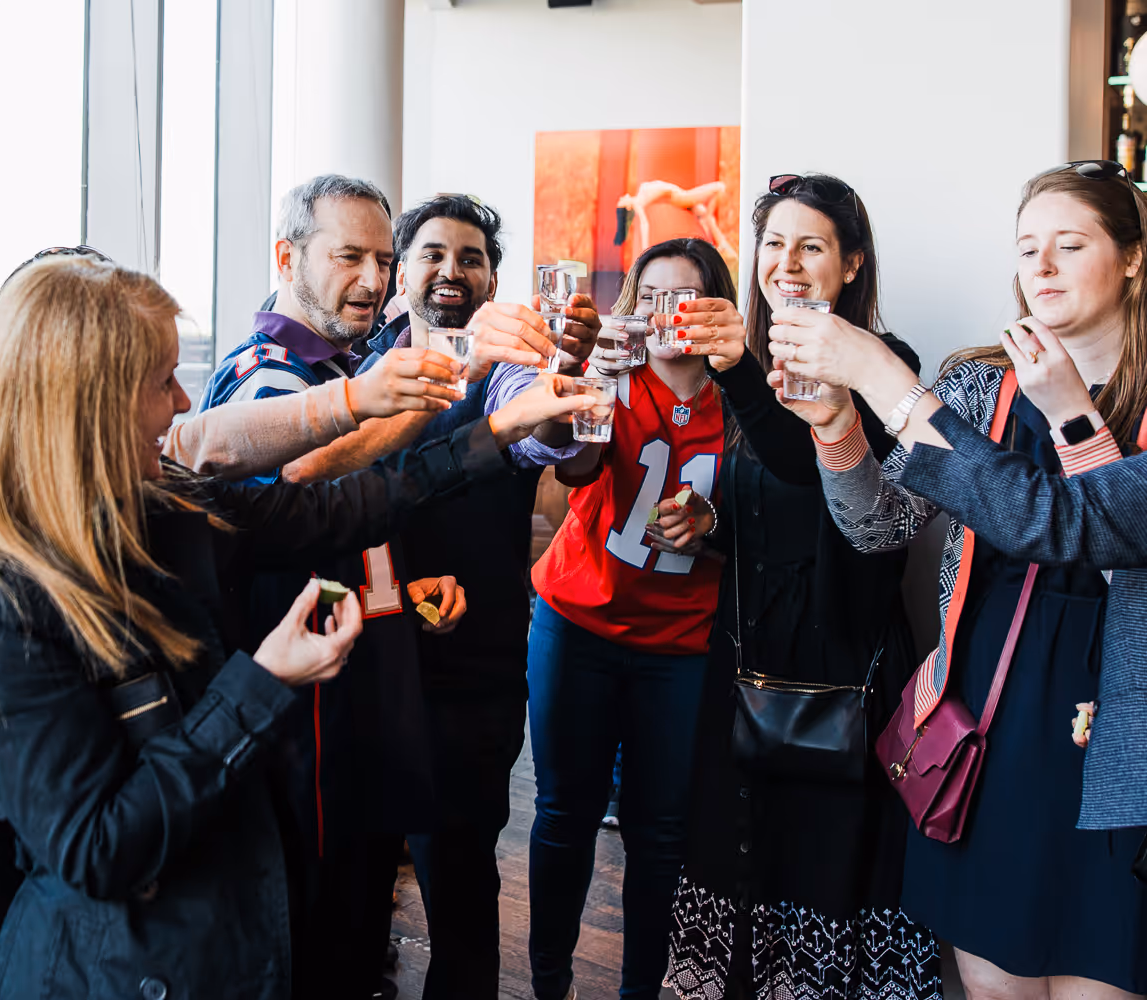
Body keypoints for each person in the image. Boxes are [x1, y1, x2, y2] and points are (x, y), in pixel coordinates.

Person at [0, 254, 592, 1000]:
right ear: (89, 402)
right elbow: (99, 848)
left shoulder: (161, 509)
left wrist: (498, 429)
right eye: (159, 381)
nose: (181, 403)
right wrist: (266, 680)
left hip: (224, 941)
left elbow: (347, 507)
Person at [767, 161, 1147, 998]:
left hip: (1122, 740)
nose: (1040, 266)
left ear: (1131, 258)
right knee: (992, 983)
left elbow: (1072, 524)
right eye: (1026, 248)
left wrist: (886, 384)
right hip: (991, 722)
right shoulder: (980, 381)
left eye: (1070, 244)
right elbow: (880, 526)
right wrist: (838, 427)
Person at [199, 174, 477, 999]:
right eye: (348, 256)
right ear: (288, 257)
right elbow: (302, 486)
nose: (374, 279)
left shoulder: (343, 363)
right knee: (322, 930)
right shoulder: (271, 373)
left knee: (360, 924)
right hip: (304, 715)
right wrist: (466, 381)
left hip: (357, 688)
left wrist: (401, 588)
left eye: (383, 260)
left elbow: (344, 525)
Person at [662, 175, 936, 999]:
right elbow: (773, 505)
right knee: (740, 862)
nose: (786, 262)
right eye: (774, 244)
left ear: (851, 263)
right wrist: (712, 524)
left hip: (844, 664)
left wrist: (738, 369)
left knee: (828, 872)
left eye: (810, 245)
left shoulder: (891, 369)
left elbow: (809, 467)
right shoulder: (750, 363)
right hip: (748, 659)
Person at [354, 194, 602, 1000]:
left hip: (472, 676)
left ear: (494, 279)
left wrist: (559, 396)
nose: (451, 271)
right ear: (401, 273)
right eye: (432, 254)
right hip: (362, 666)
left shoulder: (511, 377)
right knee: (353, 900)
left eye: (470, 257)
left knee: (462, 899)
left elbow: (546, 437)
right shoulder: (359, 370)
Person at [526, 238, 729, 1000]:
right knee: (563, 814)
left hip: (679, 645)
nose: (667, 312)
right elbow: (573, 470)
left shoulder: (740, 403)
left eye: (687, 296)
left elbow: (772, 513)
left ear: (716, 308)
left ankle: (641, 989)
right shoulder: (615, 375)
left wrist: (717, 519)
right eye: (651, 295)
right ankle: (549, 983)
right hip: (577, 622)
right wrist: (593, 388)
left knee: (660, 835)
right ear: (631, 305)